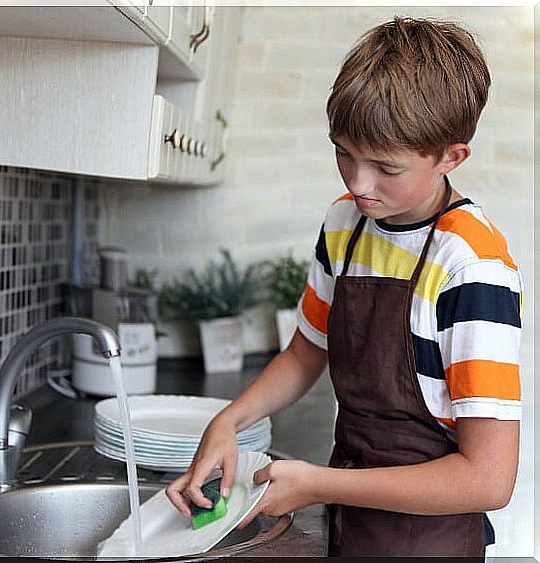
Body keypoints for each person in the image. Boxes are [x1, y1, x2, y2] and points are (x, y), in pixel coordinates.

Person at [166, 16, 523, 557]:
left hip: (431, 541)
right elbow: (307, 352)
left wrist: (317, 484)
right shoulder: (343, 224)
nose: (358, 184)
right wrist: (230, 420)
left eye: (386, 166)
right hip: (349, 521)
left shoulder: (473, 265)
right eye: (344, 153)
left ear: (452, 156)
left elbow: (488, 480)